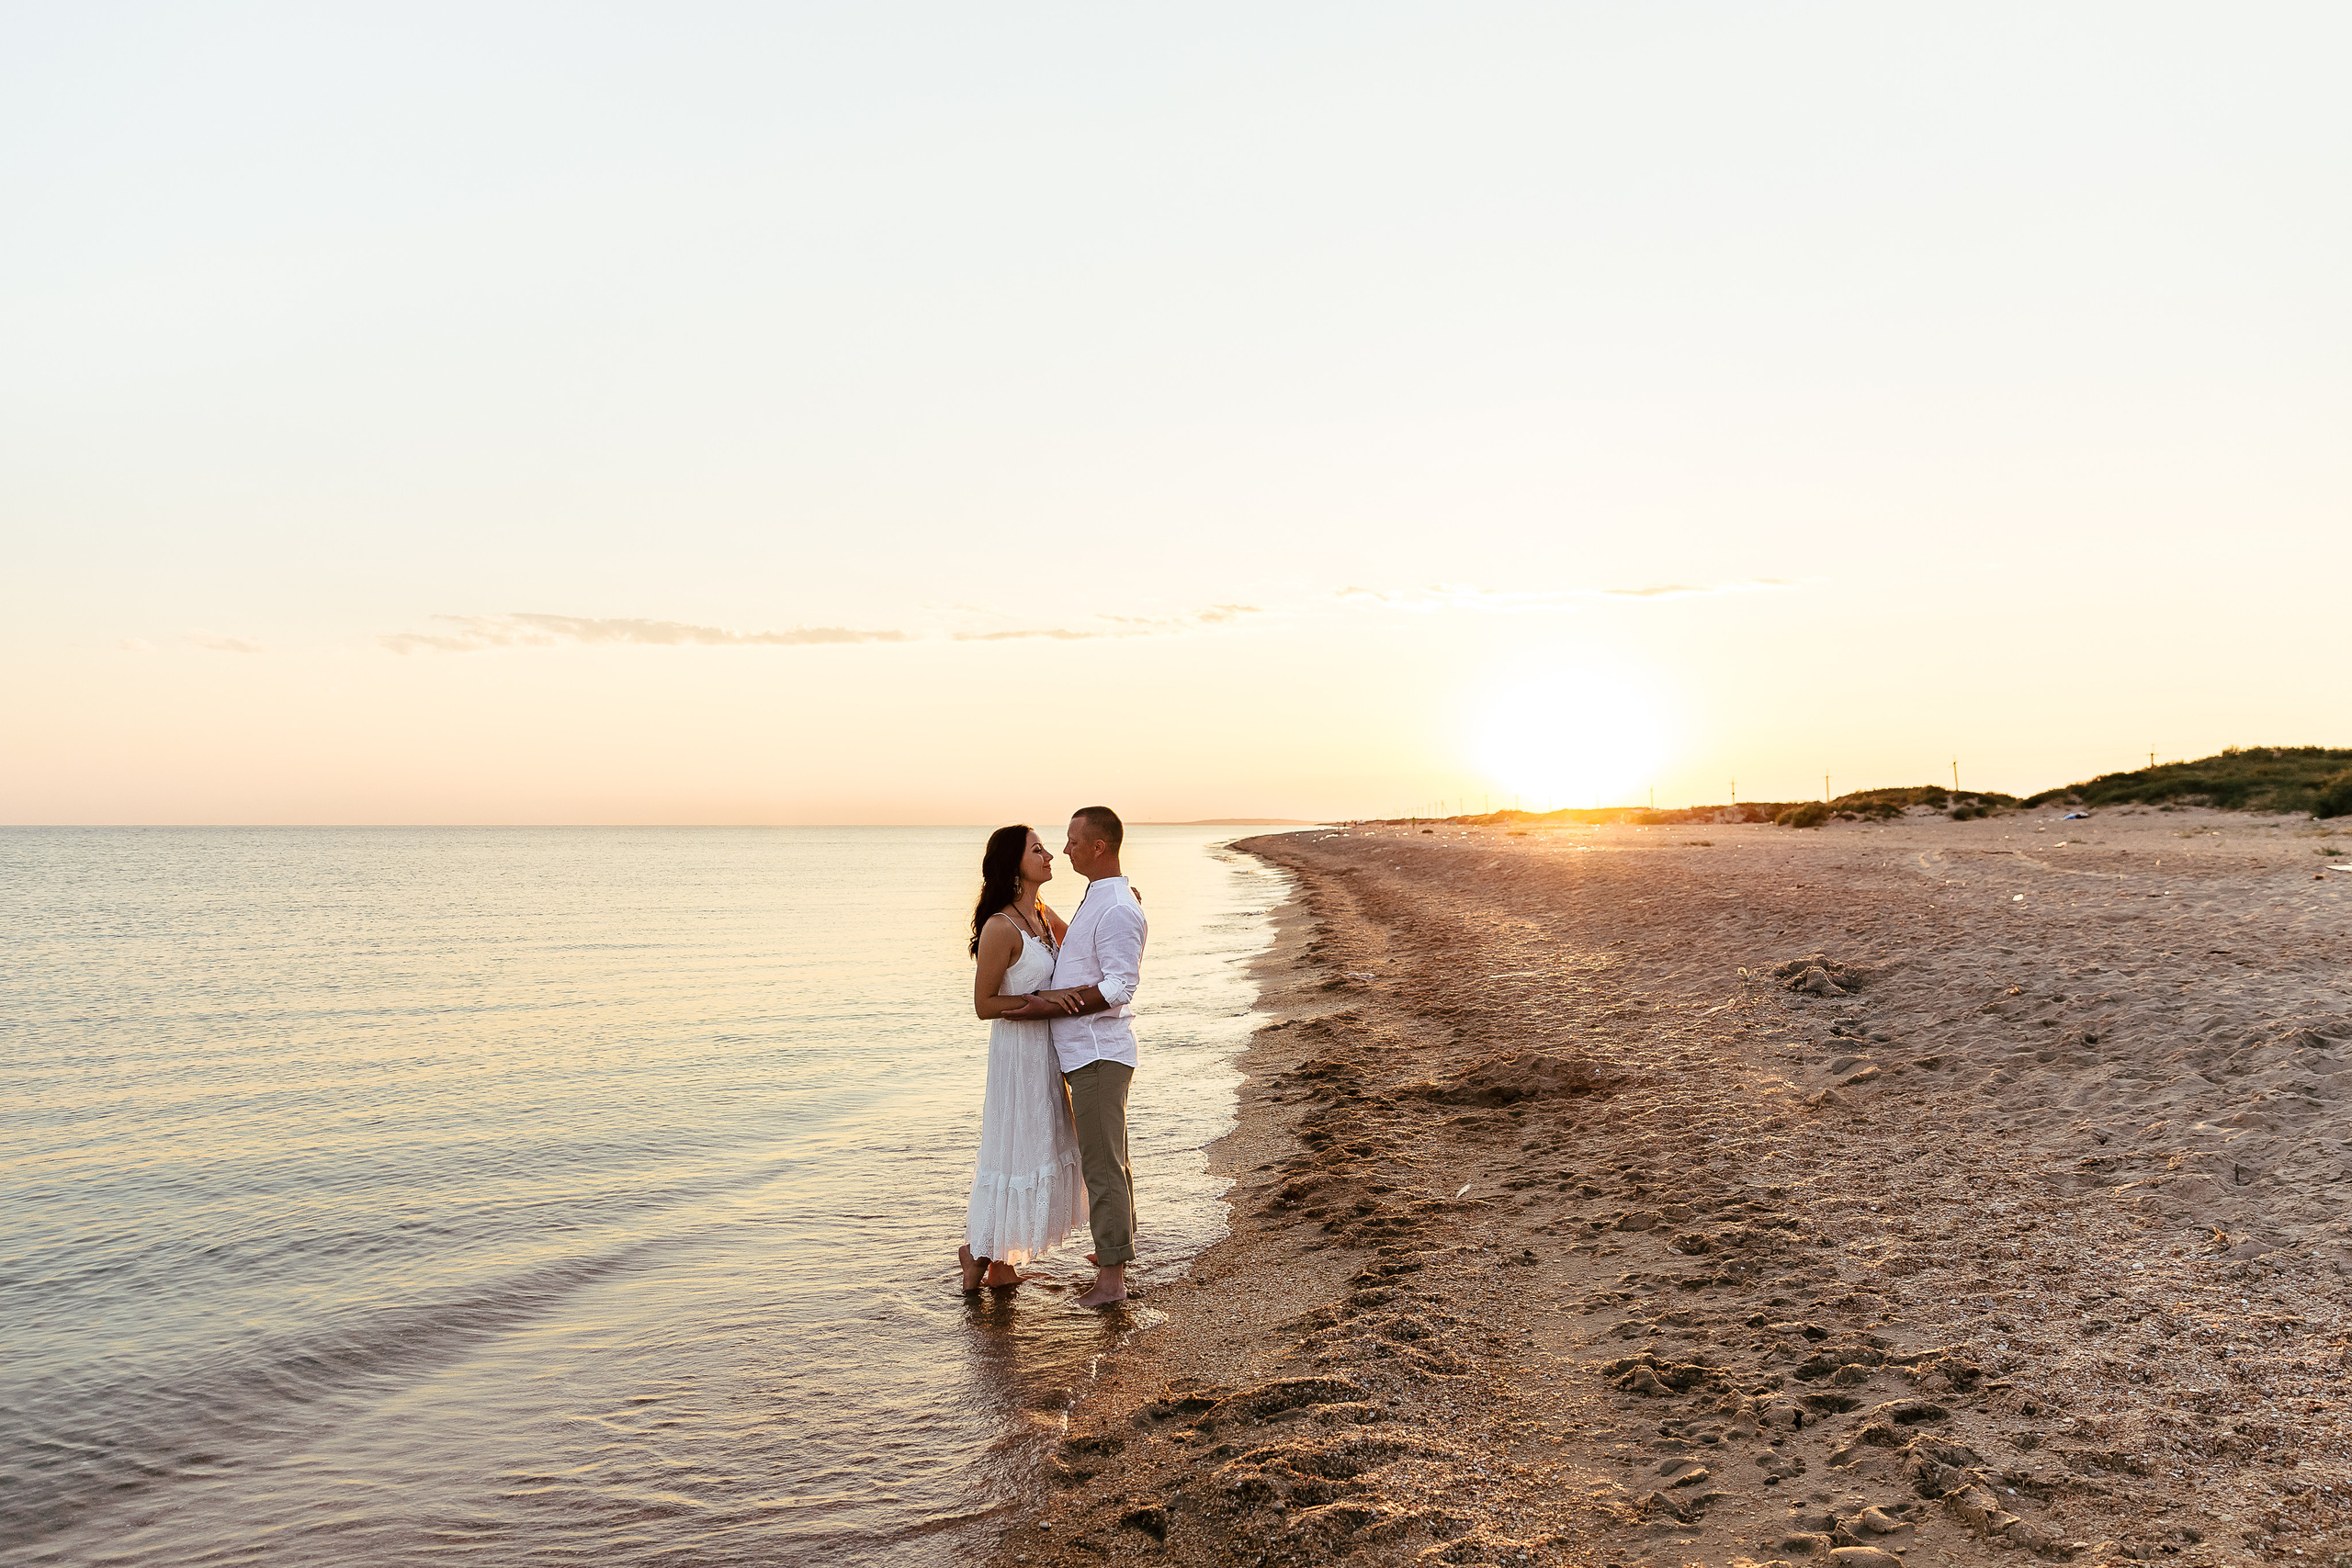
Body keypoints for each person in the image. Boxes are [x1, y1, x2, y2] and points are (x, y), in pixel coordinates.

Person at [1001, 807, 1147, 1307]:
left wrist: (1052, 1003)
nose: (1066, 850)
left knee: (1102, 1165)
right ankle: (1115, 1249)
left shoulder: (1117, 907)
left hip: (1099, 1051)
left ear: (1098, 847)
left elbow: (1121, 985)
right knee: (1111, 1159)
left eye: (1072, 842)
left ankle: (1111, 1281)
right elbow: (1075, 948)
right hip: (1087, 1051)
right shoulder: (1101, 899)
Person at [959, 826, 1090, 1292]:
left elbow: (1082, 947)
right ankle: (977, 1251)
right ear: (1015, 863)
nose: (1050, 854)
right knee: (1011, 1150)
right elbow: (984, 1005)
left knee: (1039, 1145)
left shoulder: (1039, 912)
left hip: (1048, 1051)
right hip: (1017, 1055)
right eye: (1038, 850)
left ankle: (1000, 1259)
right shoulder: (1001, 927)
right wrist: (1046, 1000)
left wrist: (1123, 906)